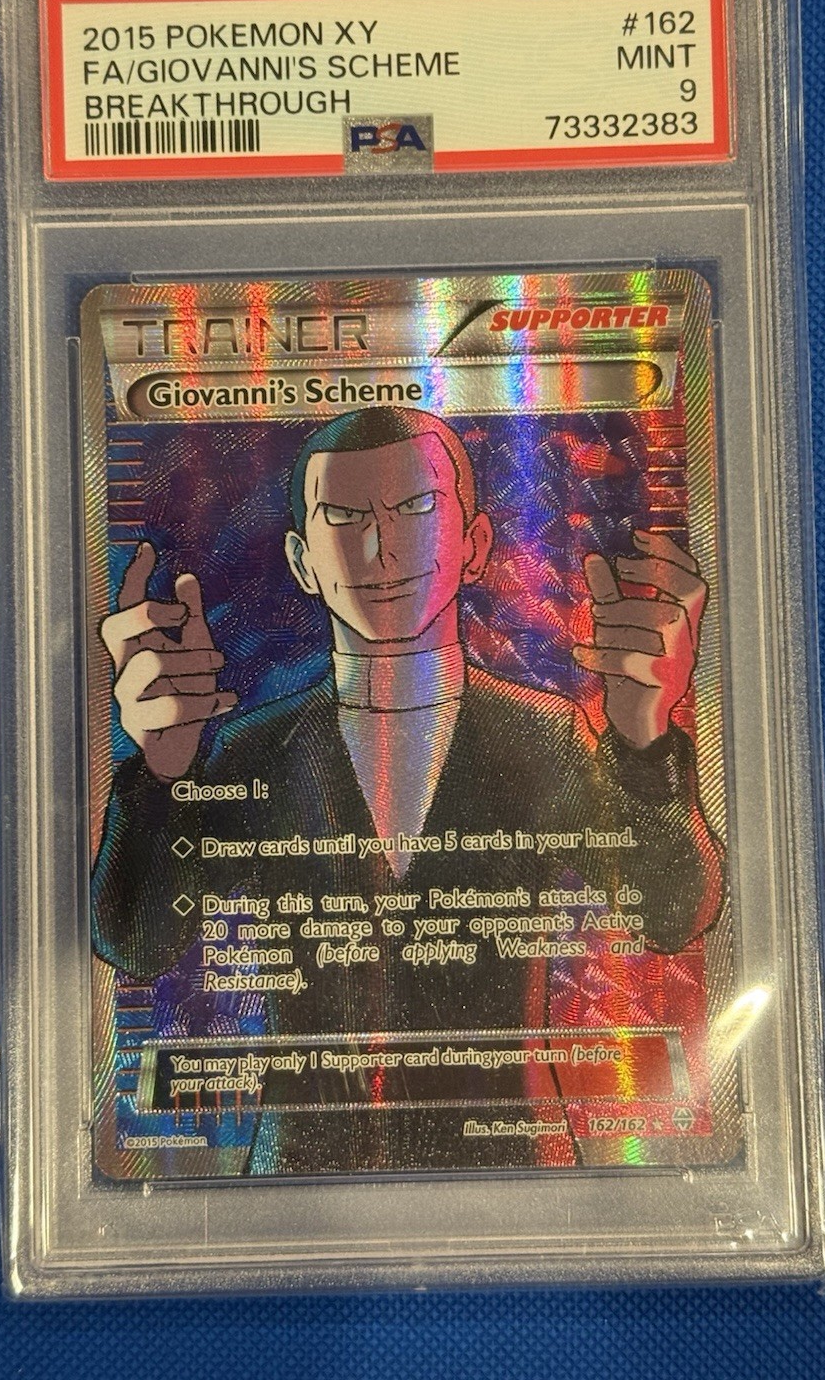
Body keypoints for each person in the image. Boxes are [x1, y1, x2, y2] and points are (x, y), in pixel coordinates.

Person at [92, 406, 723, 1172]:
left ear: (475, 545)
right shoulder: (253, 749)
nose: (381, 547)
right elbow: (137, 945)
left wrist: (646, 739)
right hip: (301, 1183)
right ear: (302, 561)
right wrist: (160, 774)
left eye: (417, 507)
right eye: (342, 516)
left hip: (514, 1173)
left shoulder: (544, 734)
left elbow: (671, 915)